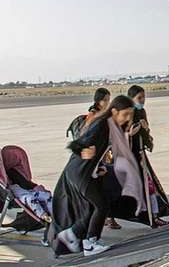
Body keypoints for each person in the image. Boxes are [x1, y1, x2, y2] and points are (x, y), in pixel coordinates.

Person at [52, 96, 136, 256]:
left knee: (95, 205)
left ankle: (73, 235)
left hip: (86, 171)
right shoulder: (101, 125)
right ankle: (89, 243)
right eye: (125, 114)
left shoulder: (110, 126)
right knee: (101, 205)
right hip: (80, 172)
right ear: (114, 111)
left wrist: (100, 167)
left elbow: (101, 152)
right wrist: (82, 151)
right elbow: (76, 143)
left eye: (130, 114)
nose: (128, 118)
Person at [125, 85, 169, 227]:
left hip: (140, 154)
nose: (142, 100)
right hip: (128, 157)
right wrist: (130, 134)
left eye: (143, 97)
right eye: (139, 98)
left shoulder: (141, 112)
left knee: (149, 186)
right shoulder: (125, 114)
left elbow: (145, 135)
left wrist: (145, 129)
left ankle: (154, 216)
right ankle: (110, 218)